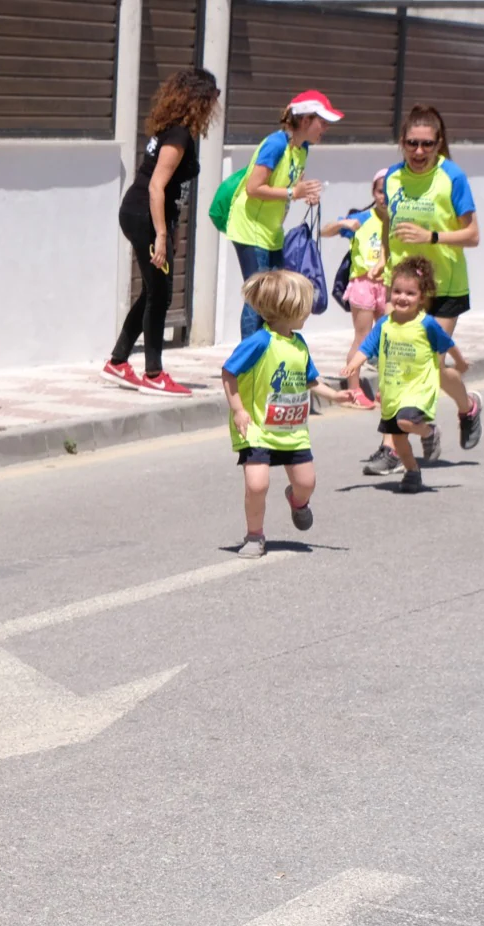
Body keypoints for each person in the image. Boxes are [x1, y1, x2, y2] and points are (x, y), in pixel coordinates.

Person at [364, 106, 483, 476]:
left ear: (439, 143)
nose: (418, 151)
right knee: (395, 362)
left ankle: (467, 408)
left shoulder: (452, 177)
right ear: (401, 143)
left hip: (444, 283)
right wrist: (385, 256)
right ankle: (391, 446)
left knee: (430, 363)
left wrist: (431, 236)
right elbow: (389, 224)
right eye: (411, 143)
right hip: (402, 285)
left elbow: (473, 235)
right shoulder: (394, 178)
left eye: (426, 144)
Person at [104, 67, 221, 397]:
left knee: (152, 292)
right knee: (161, 294)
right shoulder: (179, 134)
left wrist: (170, 230)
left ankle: (117, 362)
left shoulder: (171, 129)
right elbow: (157, 187)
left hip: (143, 214)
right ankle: (154, 374)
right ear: (199, 99)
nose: (215, 106)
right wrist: (161, 235)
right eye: (213, 98)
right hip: (144, 214)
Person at [220, 270, 349, 558]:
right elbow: (229, 372)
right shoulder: (259, 342)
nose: (309, 311)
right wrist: (239, 410)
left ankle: (297, 501)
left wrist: (337, 395)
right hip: (257, 428)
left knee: (306, 483)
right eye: (305, 305)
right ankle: (254, 536)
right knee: (257, 484)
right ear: (289, 309)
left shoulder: (299, 343)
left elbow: (311, 380)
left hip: (291, 430)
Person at [343, 257, 469, 494]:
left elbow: (447, 343)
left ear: (422, 298)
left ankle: (430, 431)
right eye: (397, 291)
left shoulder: (426, 324)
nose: (402, 297)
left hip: (418, 388)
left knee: (405, 422)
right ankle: (412, 472)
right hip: (393, 390)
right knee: (399, 440)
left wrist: (460, 361)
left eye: (410, 293)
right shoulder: (384, 324)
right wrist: (354, 366)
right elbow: (367, 347)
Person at [225, 91, 339, 338]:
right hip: (251, 228)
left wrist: (304, 191)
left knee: (276, 295)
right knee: (259, 296)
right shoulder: (276, 144)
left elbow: (291, 181)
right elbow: (253, 187)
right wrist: (292, 193)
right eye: (323, 121)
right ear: (306, 120)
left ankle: (268, 351)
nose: (326, 128)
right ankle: (249, 359)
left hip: (272, 230)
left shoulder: (302, 148)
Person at [320, 168, 390, 409]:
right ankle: (353, 390)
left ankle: (385, 389)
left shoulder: (399, 219)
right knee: (363, 337)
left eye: (390, 192)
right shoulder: (364, 218)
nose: (385, 197)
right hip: (363, 285)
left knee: (389, 338)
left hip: (389, 286)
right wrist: (341, 223)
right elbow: (325, 231)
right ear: (374, 192)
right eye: (381, 191)